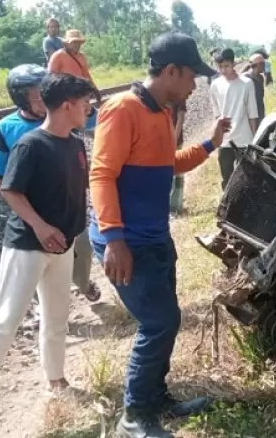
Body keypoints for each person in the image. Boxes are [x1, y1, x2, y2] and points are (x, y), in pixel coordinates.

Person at [89, 31, 229, 437]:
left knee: (166, 321)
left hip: (153, 236)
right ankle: (133, 415)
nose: (193, 86)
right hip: (128, 241)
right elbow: (101, 174)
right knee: (159, 322)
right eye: (190, 77)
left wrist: (209, 144)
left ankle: (156, 396)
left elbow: (167, 164)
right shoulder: (121, 109)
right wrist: (114, 238)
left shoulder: (161, 112)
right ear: (171, 71)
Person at [0, 72, 96, 429]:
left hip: (62, 246)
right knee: (6, 319)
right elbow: (11, 191)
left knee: (56, 317)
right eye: (85, 104)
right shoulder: (31, 145)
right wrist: (40, 225)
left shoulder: (75, 143)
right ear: (67, 105)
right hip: (27, 246)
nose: (89, 109)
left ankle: (56, 380)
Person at [0, 63, 101, 304]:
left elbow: (95, 123)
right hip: (36, 206)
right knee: (41, 262)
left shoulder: (63, 116)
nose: (44, 99)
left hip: (70, 204)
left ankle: (84, 283)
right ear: (21, 98)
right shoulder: (7, 128)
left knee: (83, 251)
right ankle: (45, 303)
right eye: (36, 94)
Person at [209, 47, 257, 189]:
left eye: (227, 66)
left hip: (244, 138)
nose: (224, 70)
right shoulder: (215, 85)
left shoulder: (247, 84)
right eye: (220, 67)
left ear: (233, 64)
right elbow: (217, 114)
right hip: (225, 140)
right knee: (227, 177)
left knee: (246, 177)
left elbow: (252, 113)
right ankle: (228, 206)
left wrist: (254, 140)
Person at [47, 29, 103, 104]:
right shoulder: (58, 56)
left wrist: (94, 89)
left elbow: (86, 75)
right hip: (66, 96)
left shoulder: (81, 56)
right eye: (74, 42)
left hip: (80, 93)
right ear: (67, 43)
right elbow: (51, 78)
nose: (77, 44)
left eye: (79, 42)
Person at [243, 52, 265, 119]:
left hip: (260, 113)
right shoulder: (245, 78)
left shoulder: (261, 77)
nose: (264, 66)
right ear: (258, 65)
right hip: (249, 115)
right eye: (263, 64)